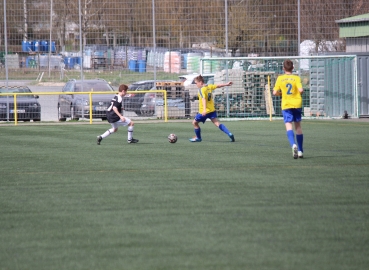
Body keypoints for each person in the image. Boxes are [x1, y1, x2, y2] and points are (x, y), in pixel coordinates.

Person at [189, 75, 235, 142]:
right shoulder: (209, 86)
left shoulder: (201, 90)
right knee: (217, 123)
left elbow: (203, 99)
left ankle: (198, 138)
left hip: (204, 111)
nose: (196, 85)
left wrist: (204, 110)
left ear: (200, 82)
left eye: (196, 83)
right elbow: (218, 85)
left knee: (194, 123)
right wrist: (226, 84)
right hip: (212, 110)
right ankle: (229, 133)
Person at [273, 59, 304, 159]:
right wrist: (298, 92)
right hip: (297, 103)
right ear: (293, 68)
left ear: (283, 68)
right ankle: (300, 151)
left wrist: (280, 93)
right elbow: (301, 90)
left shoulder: (280, 78)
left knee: (288, 125)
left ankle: (293, 145)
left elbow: (274, 92)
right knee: (298, 126)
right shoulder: (296, 78)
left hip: (286, 104)